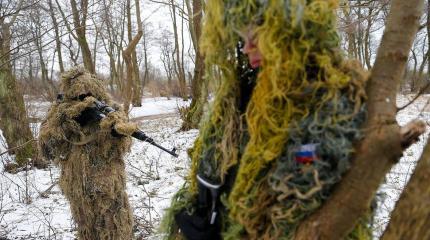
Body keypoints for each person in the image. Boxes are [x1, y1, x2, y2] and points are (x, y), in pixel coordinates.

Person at [162, 0, 370, 239]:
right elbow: (214, 169)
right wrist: (202, 216)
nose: (246, 47)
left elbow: (304, 193)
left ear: (293, 29)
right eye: (242, 36)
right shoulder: (240, 94)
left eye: (258, 33)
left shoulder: (330, 103)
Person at [38, 67, 137, 240]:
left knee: (116, 228)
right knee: (87, 230)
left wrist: (115, 134)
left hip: (108, 186)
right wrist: (68, 123)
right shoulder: (61, 111)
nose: (86, 98)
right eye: (80, 95)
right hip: (77, 186)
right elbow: (47, 148)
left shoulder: (110, 109)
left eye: (89, 92)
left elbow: (125, 144)